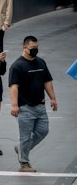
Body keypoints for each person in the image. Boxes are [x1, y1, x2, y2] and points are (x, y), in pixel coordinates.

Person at [9, 36, 58, 172]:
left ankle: (21, 149)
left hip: (40, 106)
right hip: (25, 107)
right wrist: (14, 105)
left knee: (43, 131)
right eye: (32, 48)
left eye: (36, 48)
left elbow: (47, 81)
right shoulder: (17, 66)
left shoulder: (41, 63)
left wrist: (53, 98)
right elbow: (14, 86)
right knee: (25, 136)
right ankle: (24, 163)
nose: (35, 50)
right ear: (24, 48)